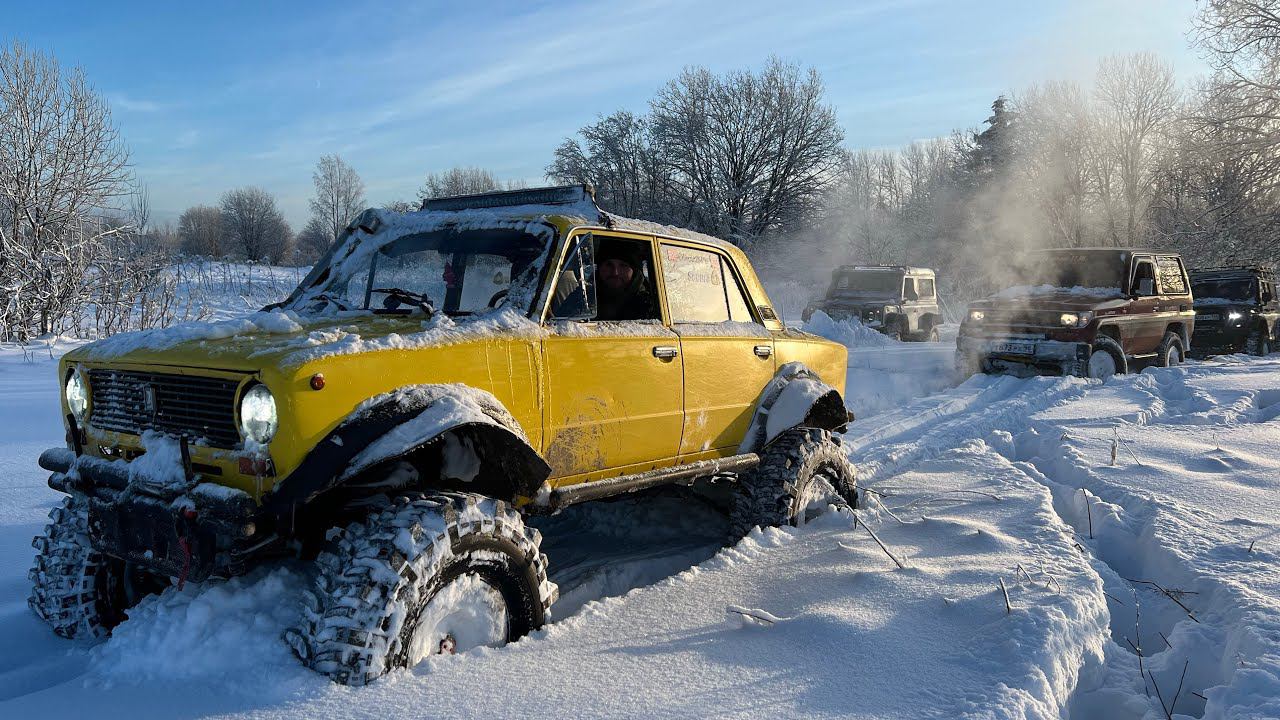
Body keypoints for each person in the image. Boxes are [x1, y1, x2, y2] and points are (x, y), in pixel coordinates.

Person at [594, 241, 656, 321]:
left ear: (634, 271)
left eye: (623, 265)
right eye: (609, 265)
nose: (615, 272)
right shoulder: (584, 298)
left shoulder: (650, 305)